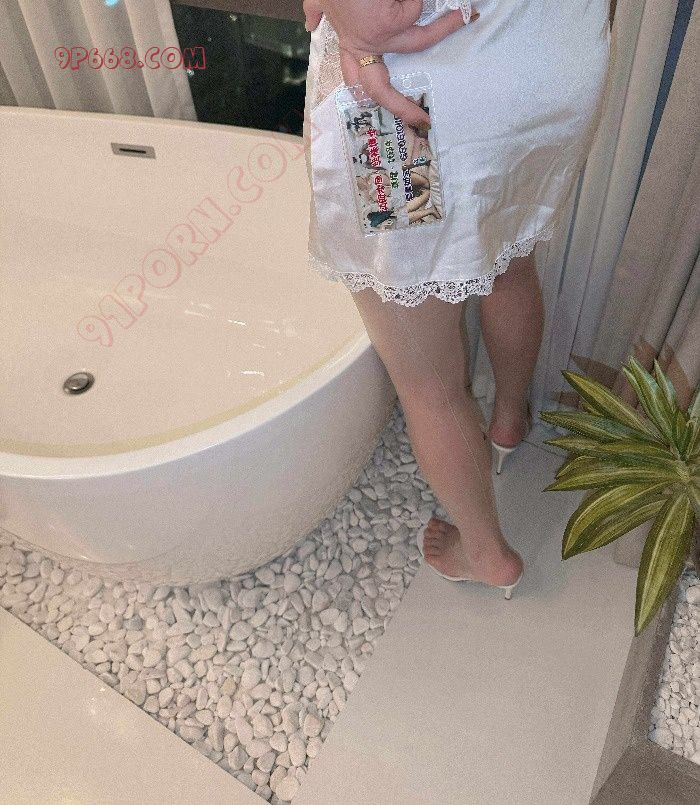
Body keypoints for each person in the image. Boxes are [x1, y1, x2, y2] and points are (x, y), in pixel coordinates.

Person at [303, 0, 612, 597]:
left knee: (428, 383)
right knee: (506, 255)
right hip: (551, 62)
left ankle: (487, 552)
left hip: (411, 96)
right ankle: (509, 420)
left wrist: (358, 37)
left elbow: (373, 15)